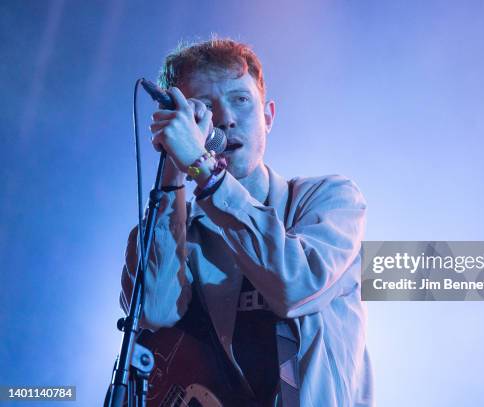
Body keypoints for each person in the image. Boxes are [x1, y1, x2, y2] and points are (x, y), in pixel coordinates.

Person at [120, 38, 373, 406]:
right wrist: (173, 170)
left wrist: (207, 173)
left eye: (240, 99)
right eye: (204, 107)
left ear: (268, 116)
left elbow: (296, 286)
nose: (225, 119)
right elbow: (153, 314)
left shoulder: (330, 200)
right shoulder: (181, 231)